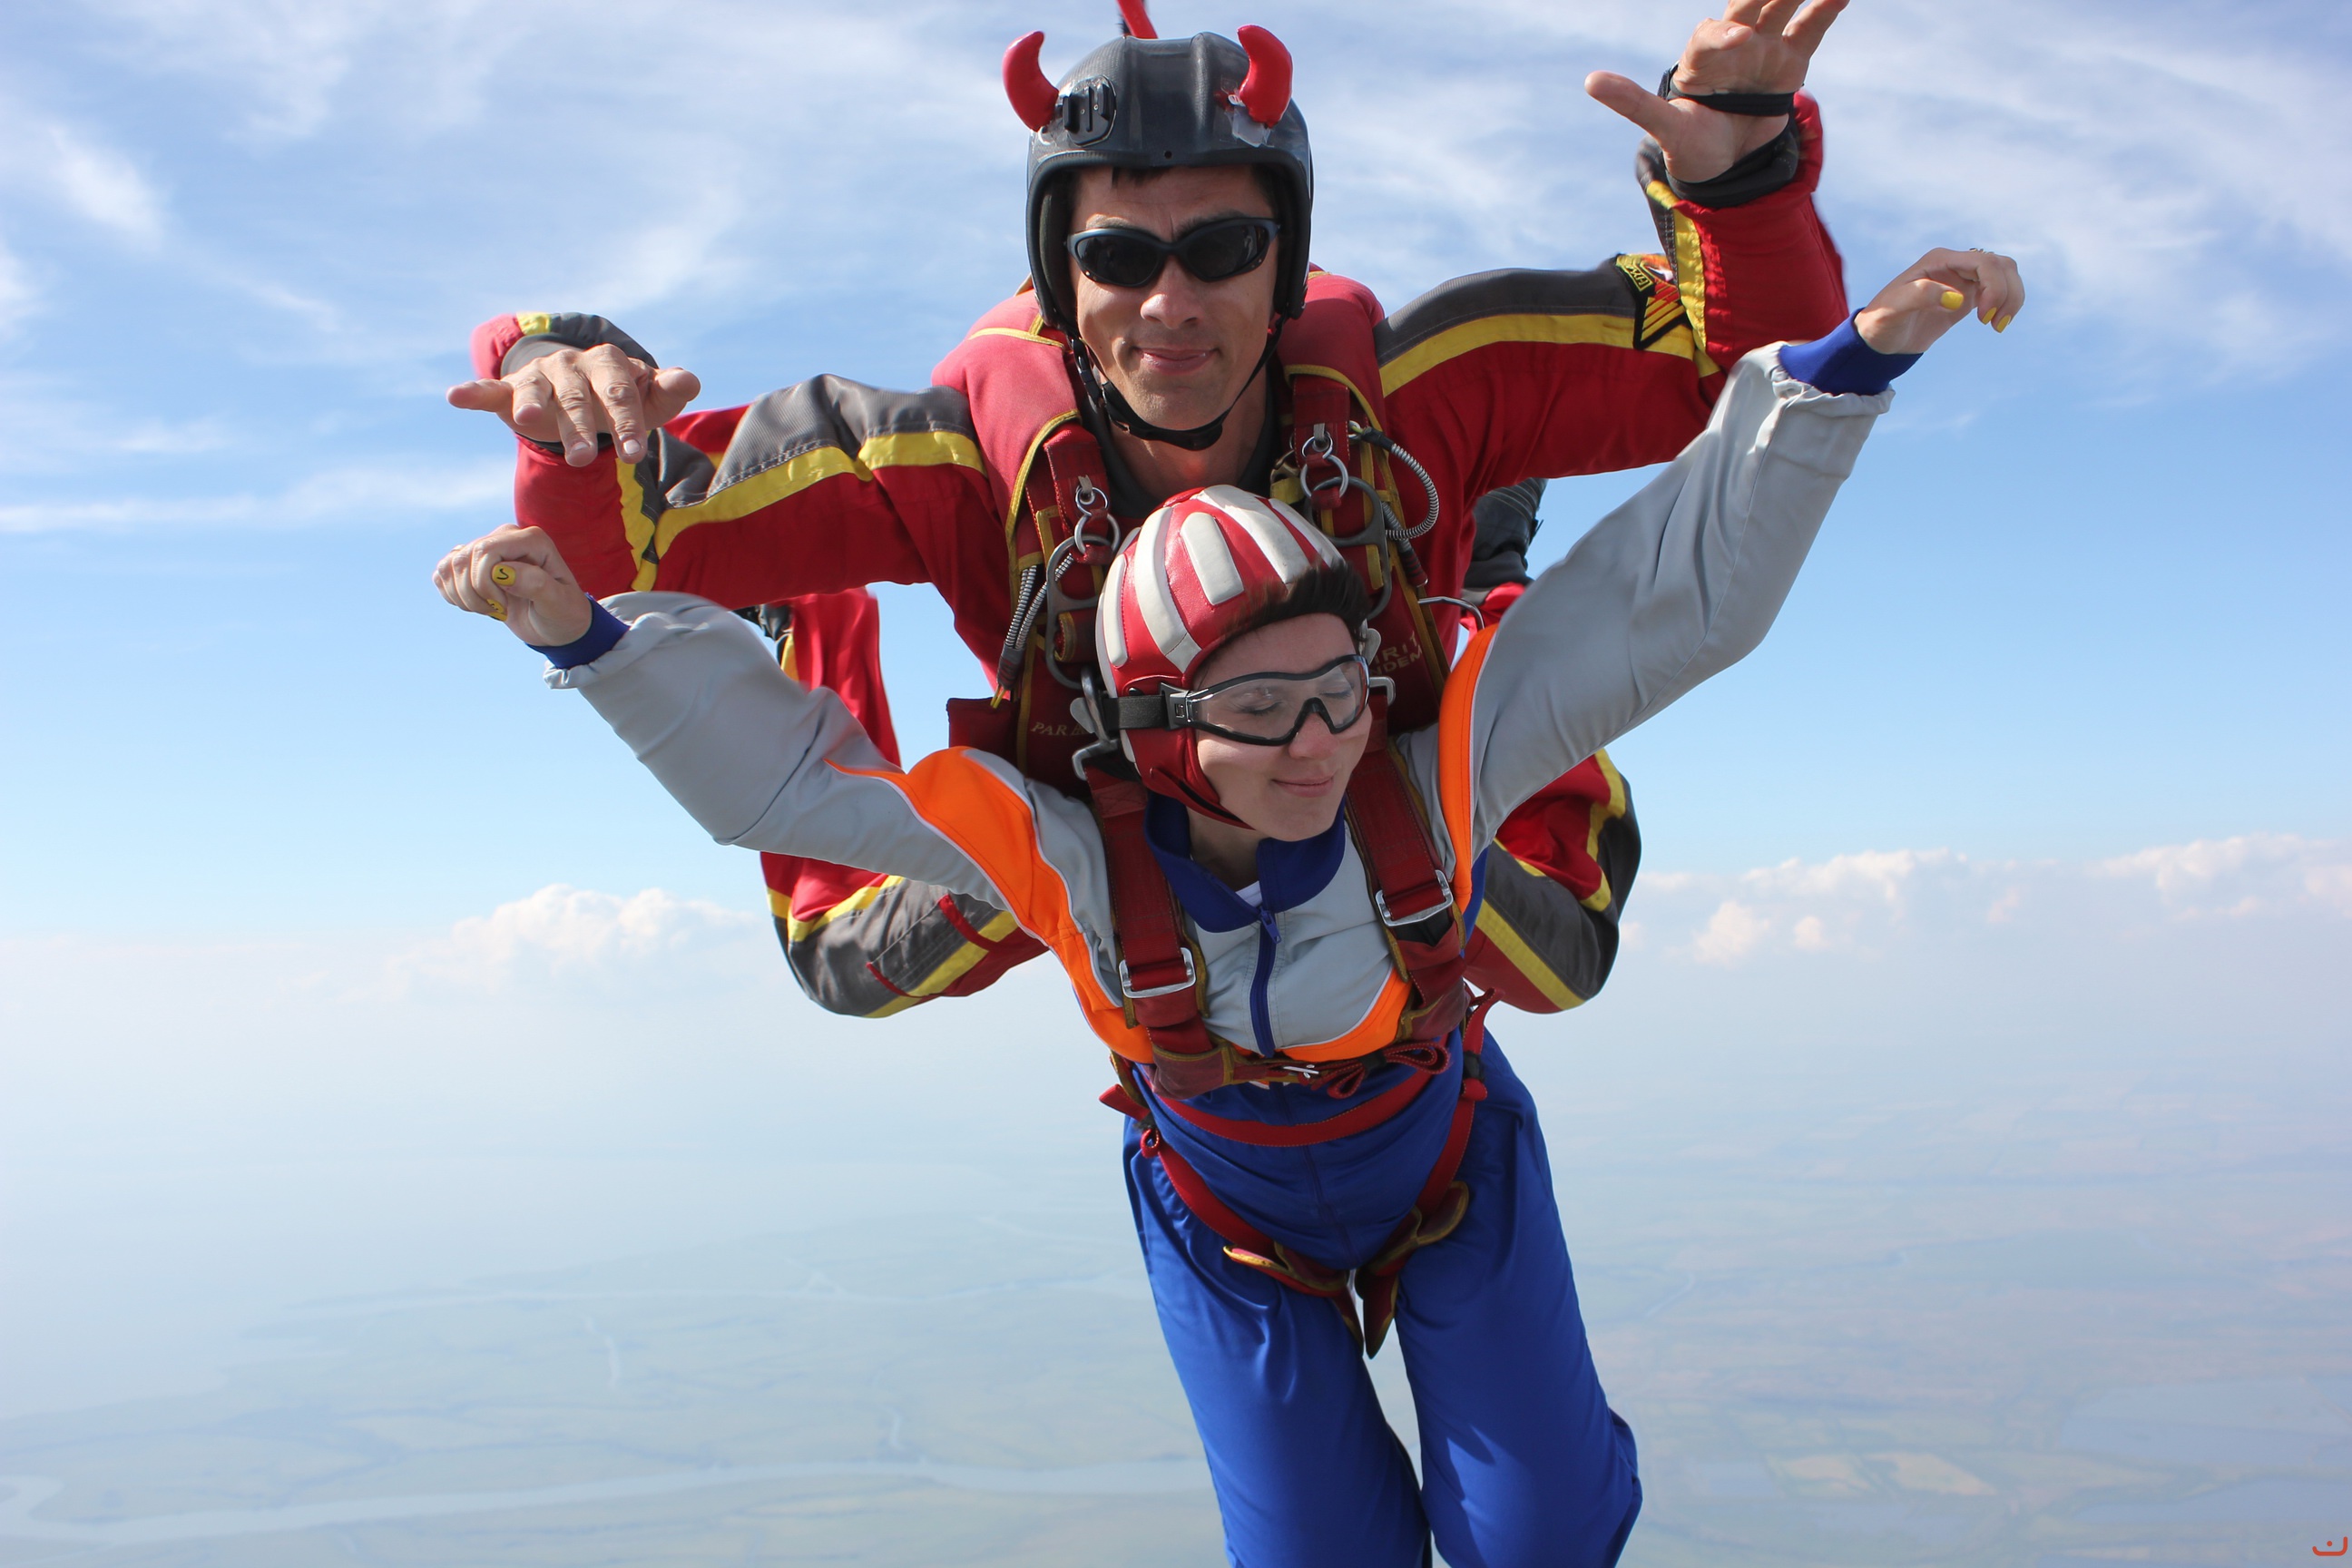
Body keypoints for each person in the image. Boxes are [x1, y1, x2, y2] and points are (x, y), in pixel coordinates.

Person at [435, 250, 2024, 1568]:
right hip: (1227, 1226)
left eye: (1337, 690)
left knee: (1543, 1542)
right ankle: (813, 608)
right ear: (1149, 733)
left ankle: (1473, 555)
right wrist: (592, 645)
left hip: (1445, 1156)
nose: (1320, 743)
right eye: (1258, 712)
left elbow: (1674, 602)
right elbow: (799, 793)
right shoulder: (1068, 855)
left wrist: (1840, 376)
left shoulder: (1425, 777)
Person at [444, 0, 1883, 1024]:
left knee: (1559, 958)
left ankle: (1479, 570)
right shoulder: (951, 457)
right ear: (1059, 279)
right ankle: (812, 606)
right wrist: (561, 397)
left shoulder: (1415, 383)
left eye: (1226, 248)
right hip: (1100, 810)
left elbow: (1744, 375)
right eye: (1120, 257)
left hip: (1362, 749)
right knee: (851, 964)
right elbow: (622, 561)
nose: (1171, 305)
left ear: (1285, 262)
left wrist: (1741, 179)